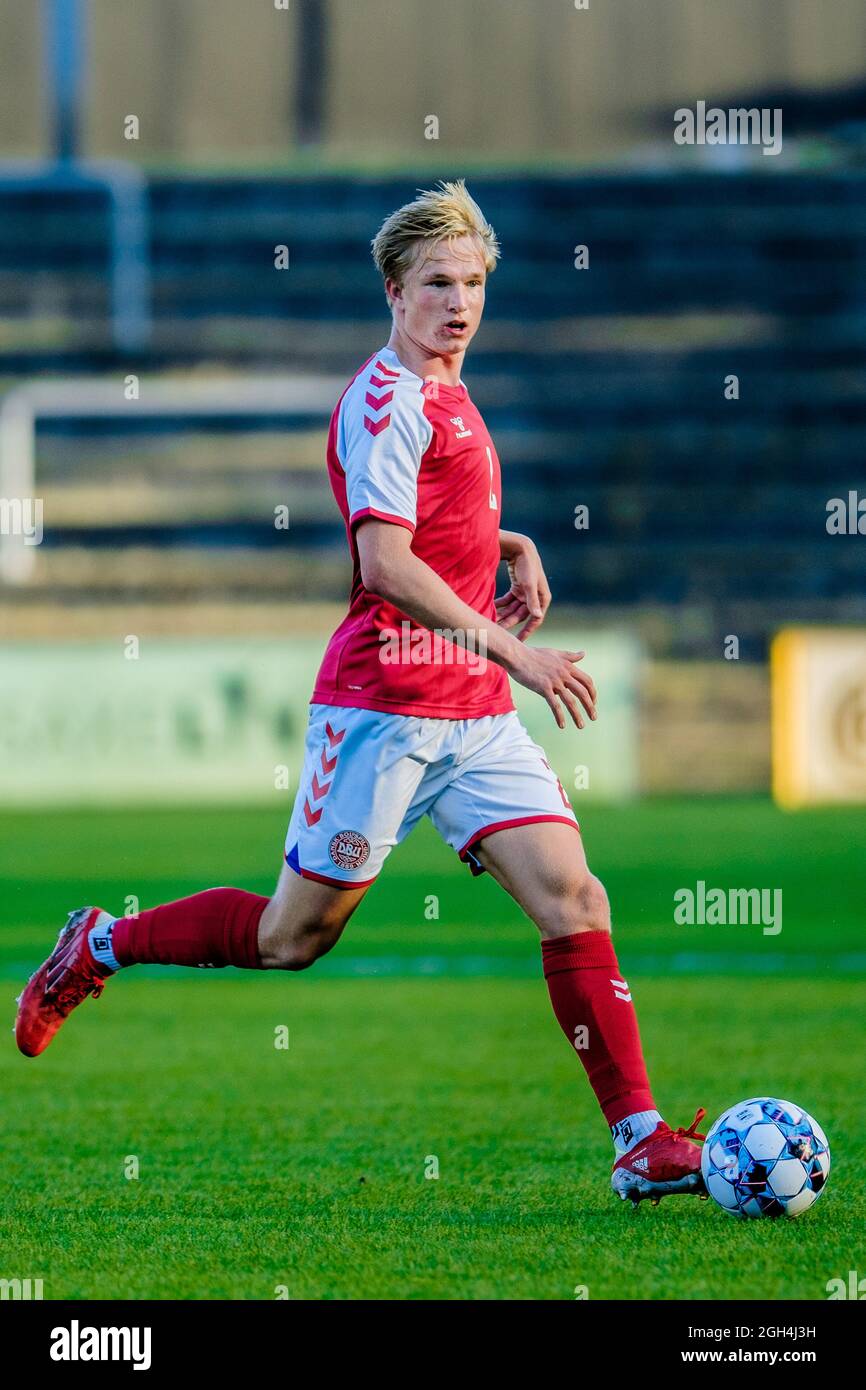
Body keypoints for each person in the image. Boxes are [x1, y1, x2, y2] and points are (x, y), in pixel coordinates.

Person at [16, 180, 705, 1204]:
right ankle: (99, 941)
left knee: (573, 897)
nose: (458, 302)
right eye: (436, 283)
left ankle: (638, 1139)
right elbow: (382, 563)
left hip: (470, 713)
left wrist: (504, 544)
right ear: (393, 290)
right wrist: (515, 653)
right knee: (291, 938)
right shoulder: (385, 400)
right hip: (382, 707)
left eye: (471, 282)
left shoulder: (450, 389)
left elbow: (434, 522)